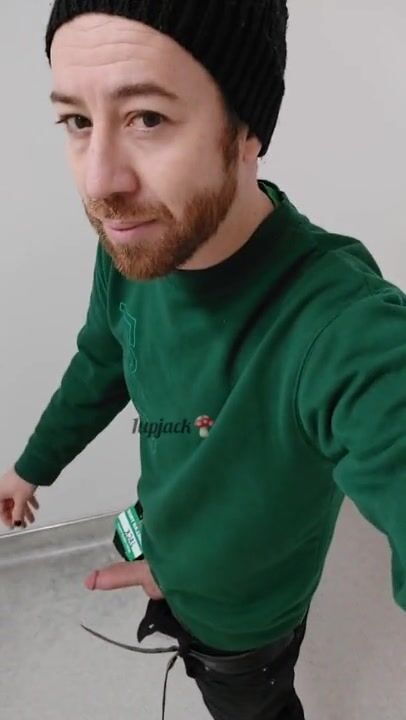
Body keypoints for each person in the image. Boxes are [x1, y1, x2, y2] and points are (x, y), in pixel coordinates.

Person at [1, 1, 405, 718]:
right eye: (78, 121)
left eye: (147, 117)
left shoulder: (340, 326)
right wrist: (32, 467)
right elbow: (101, 361)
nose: (98, 183)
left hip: (244, 630)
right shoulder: (133, 246)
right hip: (167, 547)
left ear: (247, 131)